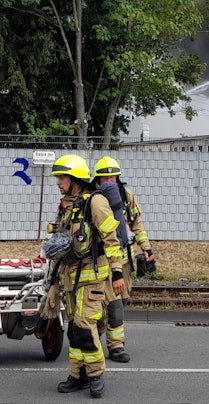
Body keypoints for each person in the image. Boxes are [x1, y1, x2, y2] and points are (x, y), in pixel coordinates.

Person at [50, 153, 123, 399]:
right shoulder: (66, 206)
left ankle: (95, 375)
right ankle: (77, 375)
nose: (58, 182)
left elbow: (112, 240)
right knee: (73, 330)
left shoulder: (95, 203)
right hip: (70, 279)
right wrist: (53, 279)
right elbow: (61, 244)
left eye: (62, 177)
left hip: (92, 277)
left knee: (83, 327)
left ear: (76, 179)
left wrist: (117, 272)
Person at [92, 155, 155, 364]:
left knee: (121, 301)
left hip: (125, 260)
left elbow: (137, 224)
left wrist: (146, 247)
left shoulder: (127, 197)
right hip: (103, 260)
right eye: (105, 179)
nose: (110, 183)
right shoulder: (94, 200)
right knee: (112, 304)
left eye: (113, 179)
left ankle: (106, 339)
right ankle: (115, 346)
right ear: (97, 181)